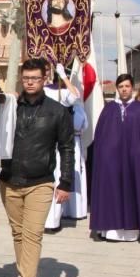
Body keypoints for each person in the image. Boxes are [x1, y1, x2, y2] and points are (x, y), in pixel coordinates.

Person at [0, 58, 73, 277]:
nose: (30, 82)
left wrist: (66, 182)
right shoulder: (9, 107)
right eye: (26, 78)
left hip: (40, 182)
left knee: (32, 234)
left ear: (45, 80)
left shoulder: (57, 111)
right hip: (9, 180)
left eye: (35, 78)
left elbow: (66, 148)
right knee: (18, 233)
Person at [90, 74, 140, 242]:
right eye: (121, 87)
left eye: (127, 86)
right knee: (112, 192)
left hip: (135, 161)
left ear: (132, 88)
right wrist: (105, 157)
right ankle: (110, 230)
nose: (124, 89)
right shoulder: (109, 109)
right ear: (117, 89)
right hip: (112, 162)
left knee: (133, 191)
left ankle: (133, 229)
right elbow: (100, 136)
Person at [43, 63, 87, 232]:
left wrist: (64, 77)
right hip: (43, 139)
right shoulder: (41, 90)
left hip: (59, 139)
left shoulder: (62, 91)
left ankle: (53, 220)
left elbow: (75, 96)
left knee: (56, 178)